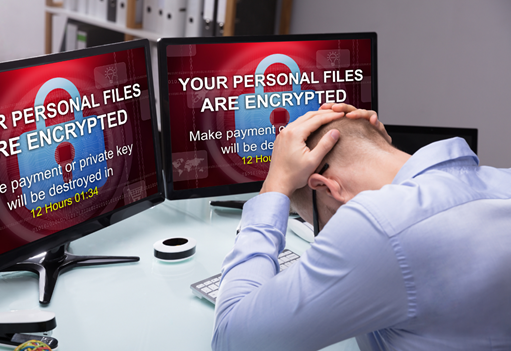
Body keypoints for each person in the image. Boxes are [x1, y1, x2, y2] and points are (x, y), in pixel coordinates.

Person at [211, 104, 511, 351]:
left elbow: (231, 341)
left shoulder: (380, 225)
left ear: (325, 187)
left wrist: (275, 186)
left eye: (317, 224)